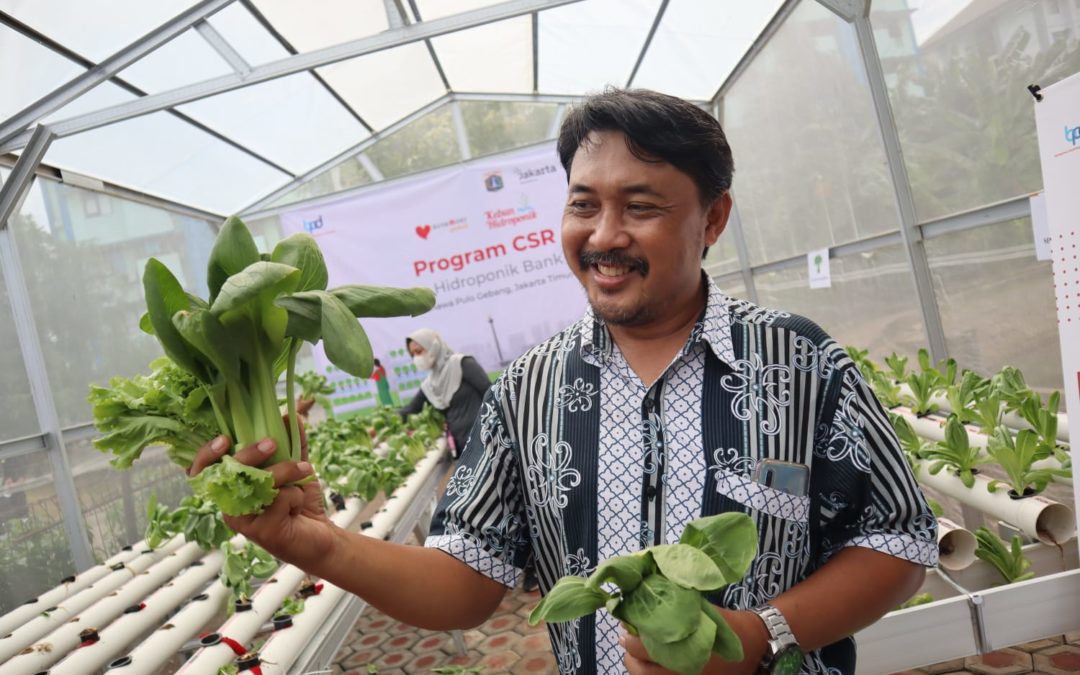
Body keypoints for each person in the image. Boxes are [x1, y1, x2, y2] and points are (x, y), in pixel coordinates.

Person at [189, 88, 936, 675]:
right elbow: (466, 581)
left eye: (640, 206)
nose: (604, 234)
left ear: (713, 219)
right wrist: (312, 542)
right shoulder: (526, 395)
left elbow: (899, 537)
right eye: (584, 204)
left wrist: (757, 634)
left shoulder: (798, 362)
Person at [399, 329, 490, 458]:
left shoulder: (462, 364)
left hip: (487, 439)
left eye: (419, 352)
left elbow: (491, 394)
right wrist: (382, 424)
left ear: (433, 346)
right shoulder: (430, 385)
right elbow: (411, 408)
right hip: (463, 446)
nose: (417, 358)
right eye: (413, 354)